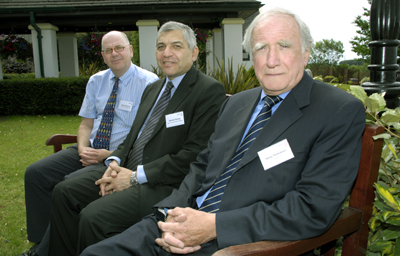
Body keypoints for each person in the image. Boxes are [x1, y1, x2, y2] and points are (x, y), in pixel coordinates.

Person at [81, 7, 366, 256]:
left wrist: (214, 227)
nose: (271, 60)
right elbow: (202, 167)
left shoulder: (337, 111)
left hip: (240, 244)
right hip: (179, 222)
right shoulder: (237, 103)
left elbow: (312, 208)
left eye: (284, 46)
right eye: (261, 48)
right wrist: (169, 214)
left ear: (306, 52)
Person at [48, 21, 226, 256]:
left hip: (162, 183)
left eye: (176, 46)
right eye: (161, 46)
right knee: (64, 192)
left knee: (93, 218)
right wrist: (114, 163)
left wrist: (134, 178)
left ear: (194, 53)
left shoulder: (208, 91)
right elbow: (133, 137)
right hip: (125, 169)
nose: (167, 53)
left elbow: (194, 156)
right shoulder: (154, 88)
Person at [20, 31, 158, 256]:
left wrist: (107, 154)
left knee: (68, 185)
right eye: (108, 50)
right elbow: (86, 124)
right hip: (89, 148)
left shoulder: (149, 83)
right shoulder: (96, 81)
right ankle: (41, 240)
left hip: (118, 156)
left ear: (130, 50)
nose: (114, 54)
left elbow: (147, 136)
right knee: (36, 173)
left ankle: (44, 252)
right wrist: (83, 148)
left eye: (119, 48)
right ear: (102, 55)